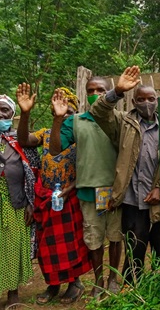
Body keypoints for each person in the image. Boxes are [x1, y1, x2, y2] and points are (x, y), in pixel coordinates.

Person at [90, 66, 160, 285]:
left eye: (150, 98)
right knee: (135, 252)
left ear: (157, 99)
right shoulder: (122, 123)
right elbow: (98, 112)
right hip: (133, 203)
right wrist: (117, 91)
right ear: (134, 102)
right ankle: (133, 292)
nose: (146, 103)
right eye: (141, 99)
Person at [16, 84, 91, 305]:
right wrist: (25, 113)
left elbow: (88, 168)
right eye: (59, 112)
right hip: (46, 196)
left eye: (68, 112)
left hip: (68, 196)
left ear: (75, 114)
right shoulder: (46, 134)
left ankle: (74, 283)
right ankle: (53, 283)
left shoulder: (81, 138)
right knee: (47, 244)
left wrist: (69, 190)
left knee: (70, 243)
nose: (63, 115)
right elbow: (23, 140)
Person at [49, 77, 122, 298]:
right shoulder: (77, 121)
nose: (95, 93)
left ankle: (112, 279)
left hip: (115, 191)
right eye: (90, 90)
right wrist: (58, 120)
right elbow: (55, 150)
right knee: (94, 240)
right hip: (89, 191)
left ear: (109, 93)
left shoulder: (121, 119)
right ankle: (98, 282)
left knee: (116, 237)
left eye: (100, 90)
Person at [0, 94, 39, 309]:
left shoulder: (21, 139)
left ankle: (13, 291)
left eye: (5, 110)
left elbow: (33, 173)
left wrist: (31, 203)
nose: (0, 114)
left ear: (12, 114)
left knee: (13, 246)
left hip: (15, 201)